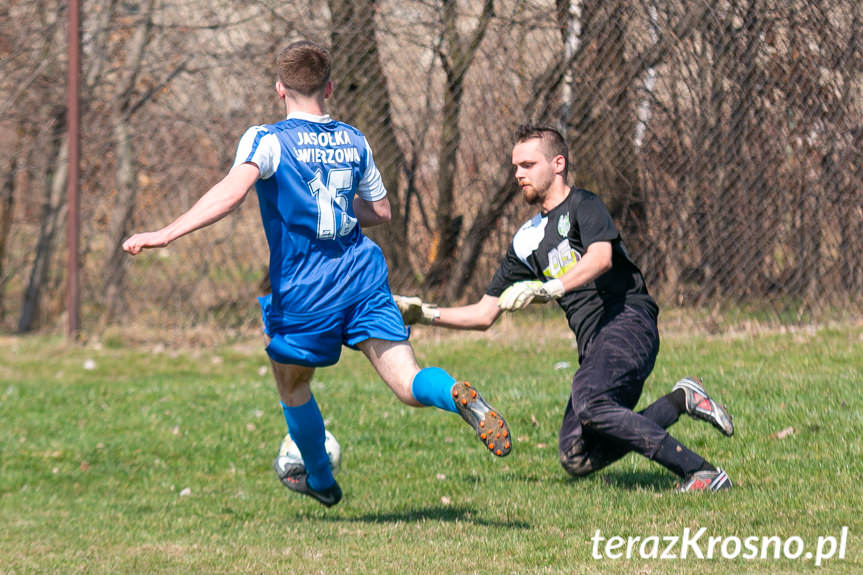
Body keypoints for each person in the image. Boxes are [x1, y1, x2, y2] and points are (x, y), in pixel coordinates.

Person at [122, 40, 512, 508]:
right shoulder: (355, 139)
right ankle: (454, 393)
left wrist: (167, 233)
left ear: (280, 89)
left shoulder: (267, 139)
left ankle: (322, 481)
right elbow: (383, 212)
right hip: (363, 276)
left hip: (307, 291)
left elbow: (230, 194)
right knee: (409, 384)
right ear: (328, 87)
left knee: (292, 386)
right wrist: (341, 215)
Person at [395, 124, 734, 492]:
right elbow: (484, 313)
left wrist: (549, 287)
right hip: (594, 347)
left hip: (627, 321)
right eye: (515, 167)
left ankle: (700, 471)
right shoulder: (526, 241)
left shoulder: (583, 205)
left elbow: (601, 258)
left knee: (590, 403)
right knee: (575, 454)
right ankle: (682, 399)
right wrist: (428, 315)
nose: (518, 174)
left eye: (527, 164)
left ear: (558, 164)